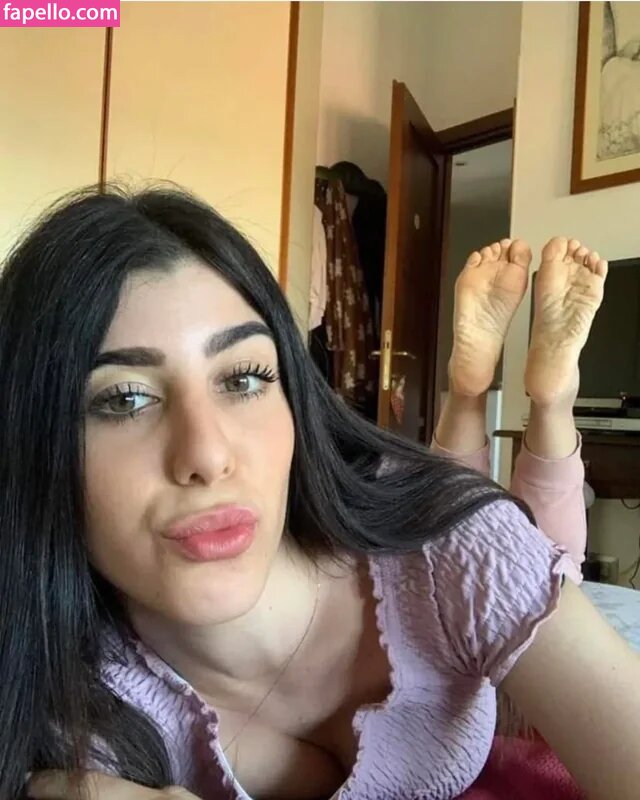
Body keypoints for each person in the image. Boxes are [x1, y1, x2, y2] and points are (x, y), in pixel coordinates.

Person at [2, 187, 635, 800]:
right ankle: (494, 395)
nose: (207, 456)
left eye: (243, 378)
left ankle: (538, 399)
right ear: (31, 442)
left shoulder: (453, 540)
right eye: (124, 398)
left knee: (517, 547)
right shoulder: (62, 708)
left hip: (426, 527)